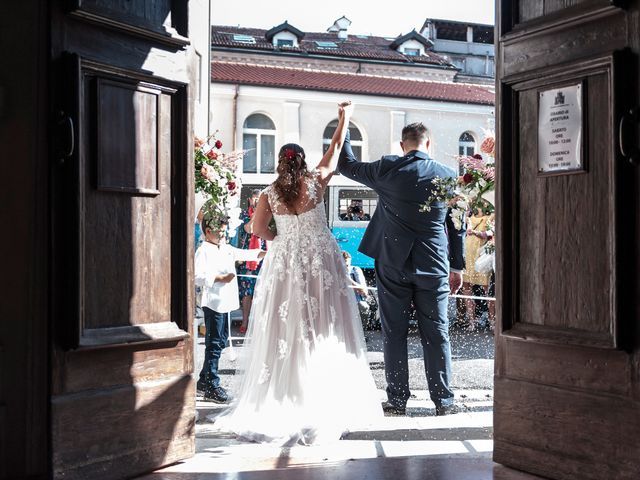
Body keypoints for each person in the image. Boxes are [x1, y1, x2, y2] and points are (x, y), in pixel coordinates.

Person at [214, 101, 382, 445]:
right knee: (326, 324)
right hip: (321, 260)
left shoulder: (268, 192)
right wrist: (344, 118)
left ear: (279, 163)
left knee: (284, 327)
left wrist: (284, 238)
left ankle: (286, 395)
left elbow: (258, 230)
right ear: (303, 161)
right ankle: (324, 394)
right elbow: (335, 149)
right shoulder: (316, 181)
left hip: (285, 261)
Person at [338, 120, 465, 416]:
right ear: (428, 144)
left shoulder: (388, 168)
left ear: (402, 145)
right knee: (437, 333)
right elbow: (457, 225)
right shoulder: (448, 176)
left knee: (393, 332)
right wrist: (457, 267)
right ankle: (443, 401)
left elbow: (346, 165)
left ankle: (396, 399)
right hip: (434, 263)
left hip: (392, 263)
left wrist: (345, 125)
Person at [194, 212, 266, 403]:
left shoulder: (224, 248)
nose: (224, 236)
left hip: (226, 302)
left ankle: (203, 380)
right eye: (221, 233)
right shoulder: (203, 250)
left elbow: (244, 253)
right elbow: (197, 276)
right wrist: (220, 279)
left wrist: (265, 253)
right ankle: (211, 384)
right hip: (214, 303)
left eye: (226, 233)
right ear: (208, 232)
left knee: (221, 340)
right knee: (214, 344)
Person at [236, 189, 268, 334]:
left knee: (262, 292)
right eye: (255, 199)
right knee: (247, 292)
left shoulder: (269, 214)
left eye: (259, 199)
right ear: (250, 200)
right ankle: (245, 321)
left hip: (263, 259)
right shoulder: (243, 215)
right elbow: (249, 229)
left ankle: (260, 324)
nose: (256, 202)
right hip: (248, 259)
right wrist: (256, 215)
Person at [461, 206, 492, 331]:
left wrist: (475, 232)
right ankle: (471, 321)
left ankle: (492, 320)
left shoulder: (491, 216)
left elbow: (489, 234)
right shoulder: (467, 216)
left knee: (487, 289)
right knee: (466, 287)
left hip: (481, 256)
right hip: (467, 254)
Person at [342, 250, 377, 329]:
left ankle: (361, 330)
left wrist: (349, 280)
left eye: (347, 265)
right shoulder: (334, 272)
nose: (346, 267)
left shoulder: (354, 270)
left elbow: (364, 290)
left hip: (355, 300)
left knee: (363, 307)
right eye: (343, 265)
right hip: (340, 299)